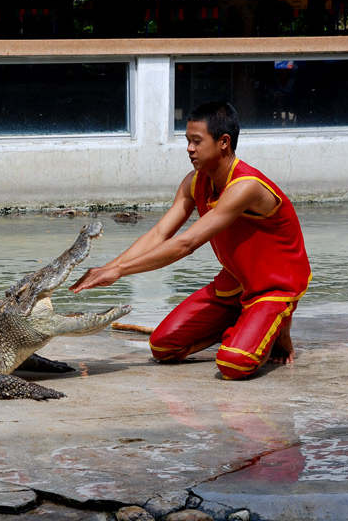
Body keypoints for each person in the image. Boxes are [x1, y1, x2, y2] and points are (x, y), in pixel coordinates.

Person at [70, 101, 311, 379]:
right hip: (236, 281)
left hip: (274, 284)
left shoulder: (246, 186)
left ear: (224, 142)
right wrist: (107, 268)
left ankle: (275, 326)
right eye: (187, 141)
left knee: (233, 364)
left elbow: (186, 244)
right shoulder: (194, 182)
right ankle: (246, 324)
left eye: (197, 141)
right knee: (163, 347)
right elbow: (160, 234)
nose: (189, 148)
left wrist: (120, 271)